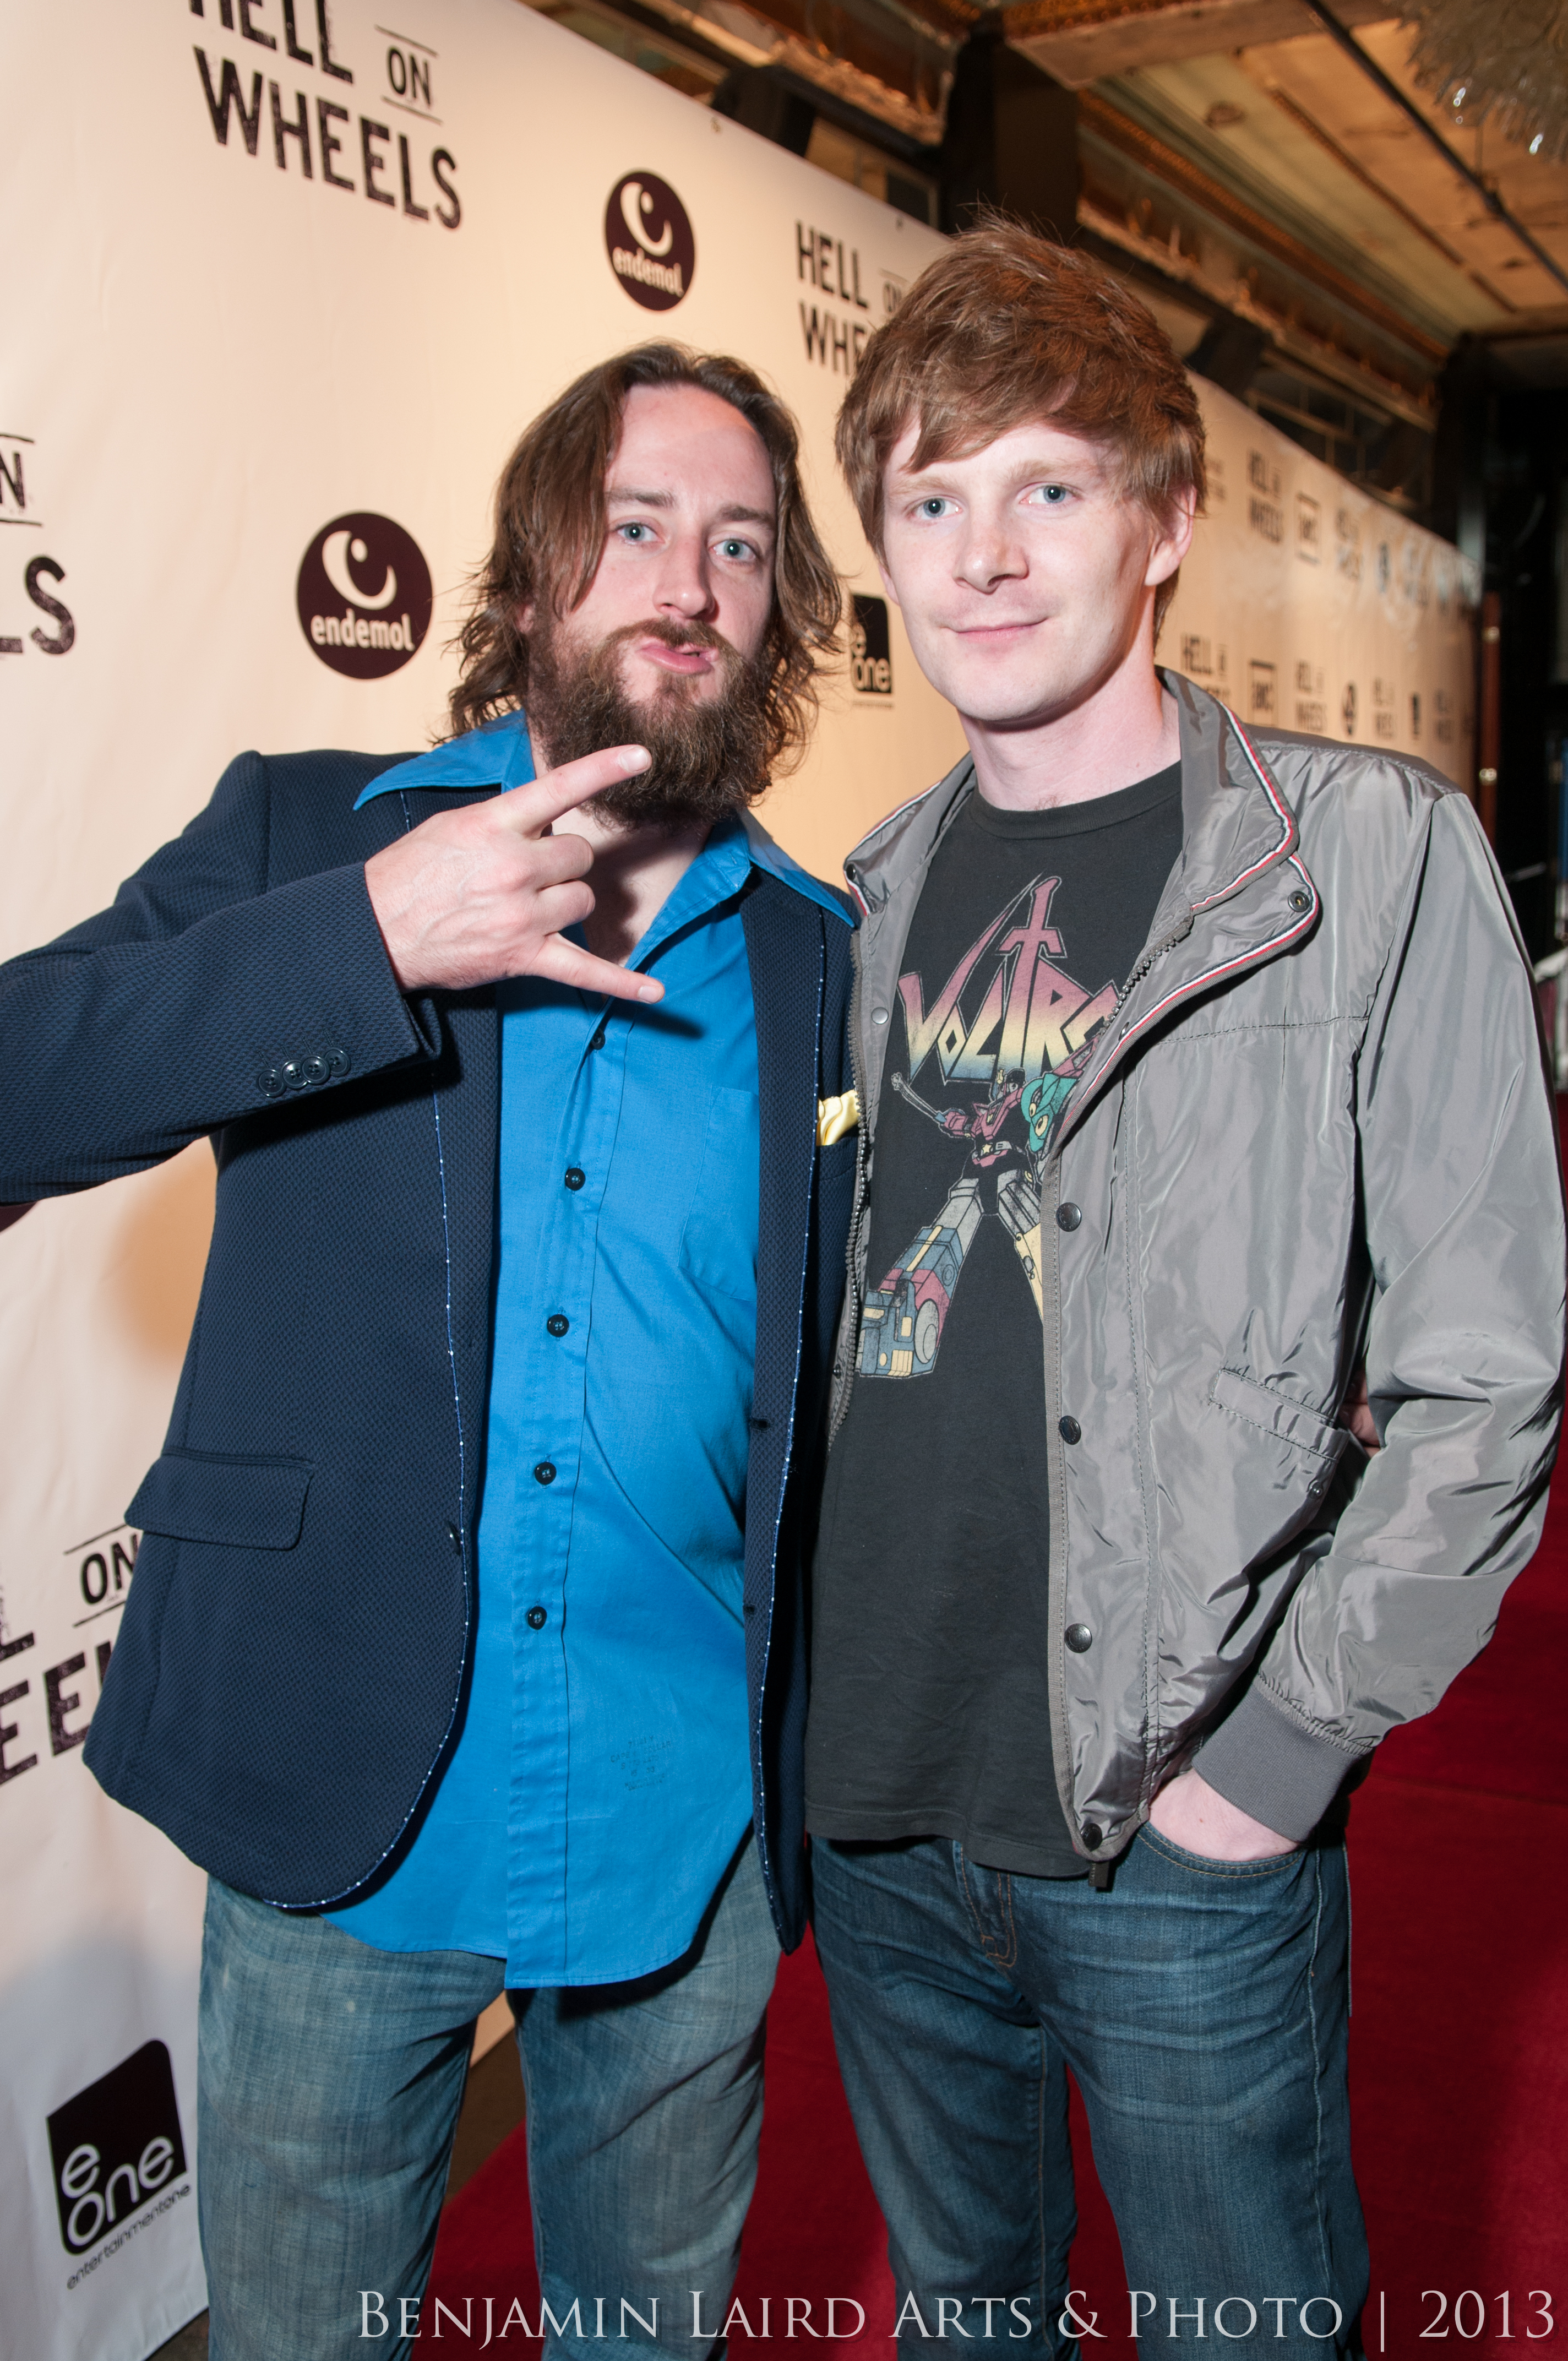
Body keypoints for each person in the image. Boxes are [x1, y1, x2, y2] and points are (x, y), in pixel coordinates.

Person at [0, 344, 856, 2360]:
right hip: (336, 1802)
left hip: (684, 1825)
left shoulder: (823, 955)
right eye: (637, 524)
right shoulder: (312, 839)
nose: (689, 579)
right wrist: (367, 937)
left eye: (741, 545)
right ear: (538, 569)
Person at [803, 225, 1564, 2354]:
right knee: (968, 2314)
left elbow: (1486, 1376)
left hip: (1169, 1814)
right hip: (872, 1809)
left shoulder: (1360, 859)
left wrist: (1283, 1756)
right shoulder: (859, 900)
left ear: (1167, 522)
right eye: (931, 501)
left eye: (1048, 486)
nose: (985, 553)